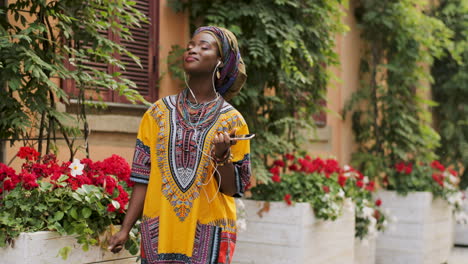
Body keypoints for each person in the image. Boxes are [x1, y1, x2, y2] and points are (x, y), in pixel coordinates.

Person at [108, 26, 251, 264]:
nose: (193, 50)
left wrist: (222, 157)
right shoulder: (156, 113)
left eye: (204, 47)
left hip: (209, 231)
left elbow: (233, 188)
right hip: (160, 231)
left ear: (220, 62)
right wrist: (125, 228)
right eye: (190, 46)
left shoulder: (233, 121)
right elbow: (143, 177)